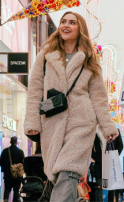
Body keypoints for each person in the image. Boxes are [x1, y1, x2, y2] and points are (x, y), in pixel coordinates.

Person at [24, 11, 118, 202]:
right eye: (63, 22)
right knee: (58, 174)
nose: (66, 25)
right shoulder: (46, 56)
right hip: (52, 123)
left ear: (80, 29)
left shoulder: (89, 59)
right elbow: (34, 90)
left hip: (82, 123)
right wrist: (32, 121)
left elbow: (98, 98)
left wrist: (107, 126)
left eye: (72, 22)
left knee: (68, 171)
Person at [0, 136, 25, 202]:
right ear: (17, 142)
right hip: (18, 176)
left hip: (8, 175)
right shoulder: (20, 152)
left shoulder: (4, 151)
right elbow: (23, 163)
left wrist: (5, 169)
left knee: (7, 189)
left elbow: (1, 162)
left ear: (10, 142)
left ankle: (5, 200)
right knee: (16, 191)